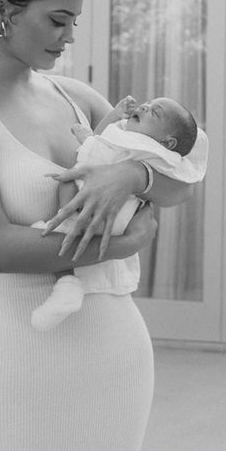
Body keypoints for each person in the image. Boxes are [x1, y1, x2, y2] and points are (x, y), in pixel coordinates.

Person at [0, 0, 195, 451]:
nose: (67, 38)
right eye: (57, 20)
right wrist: (122, 244)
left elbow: (177, 184)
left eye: (73, 24)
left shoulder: (76, 96)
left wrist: (132, 179)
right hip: (13, 360)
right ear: (1, 12)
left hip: (114, 354)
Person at [30, 94, 208, 331]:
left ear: (168, 142)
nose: (145, 106)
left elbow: (97, 146)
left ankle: (65, 265)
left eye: (154, 112)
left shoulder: (148, 151)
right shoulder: (136, 145)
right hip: (114, 217)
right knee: (71, 198)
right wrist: (112, 117)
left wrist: (100, 141)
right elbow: (100, 143)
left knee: (67, 182)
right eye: (149, 103)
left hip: (108, 209)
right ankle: (66, 282)